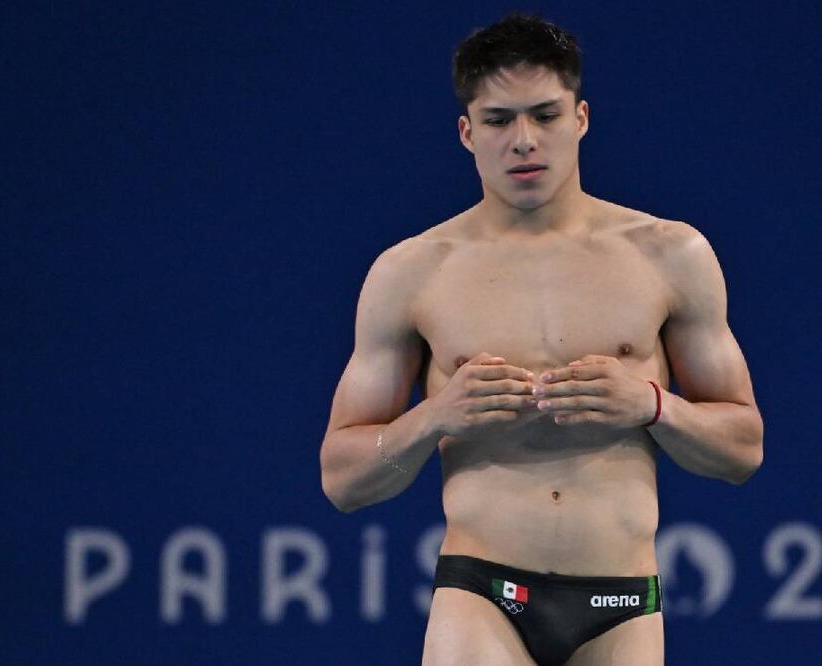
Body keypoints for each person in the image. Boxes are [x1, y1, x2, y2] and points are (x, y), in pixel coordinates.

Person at [320, 12, 763, 666]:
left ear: (580, 118)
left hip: (620, 600)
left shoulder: (670, 255)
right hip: (480, 590)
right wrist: (434, 418)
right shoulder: (412, 272)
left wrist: (653, 406)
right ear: (467, 133)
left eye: (545, 116)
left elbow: (742, 450)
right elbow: (341, 479)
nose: (523, 141)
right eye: (499, 121)